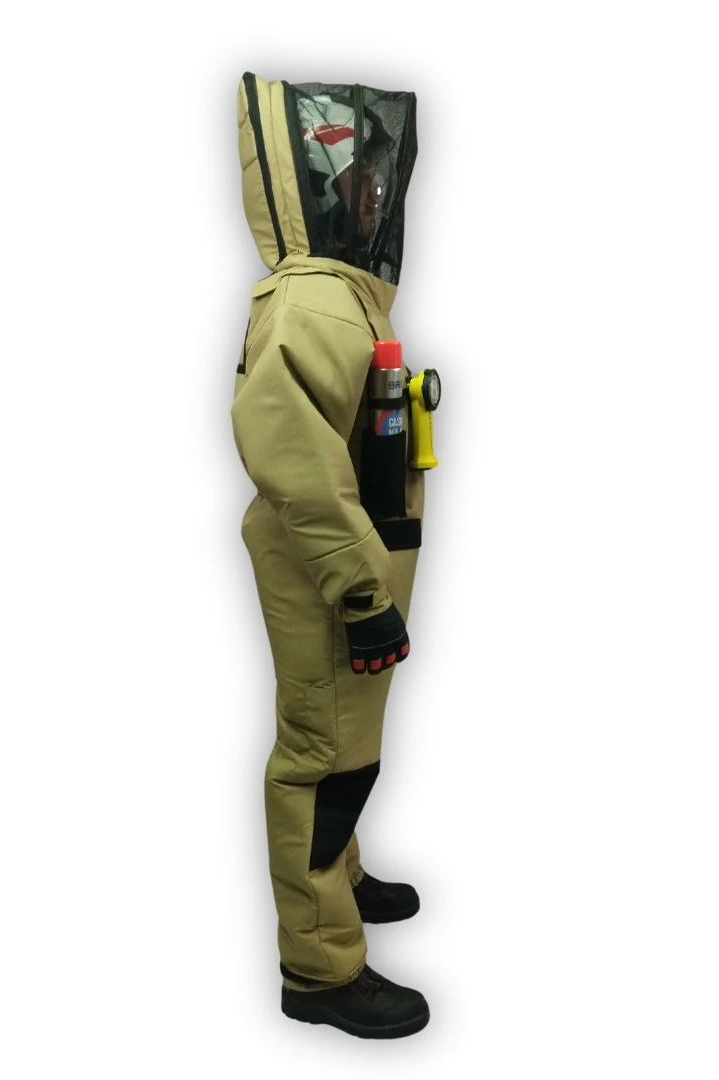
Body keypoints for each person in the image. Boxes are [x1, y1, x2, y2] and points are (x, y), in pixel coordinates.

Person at [231, 71, 429, 1039]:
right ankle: (320, 967)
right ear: (311, 185)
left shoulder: (344, 299)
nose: (374, 191)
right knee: (323, 760)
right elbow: (298, 470)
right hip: (332, 579)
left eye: (377, 174)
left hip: (355, 567)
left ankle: (338, 878)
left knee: (350, 738)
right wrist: (361, 593)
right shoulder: (310, 303)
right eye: (352, 174)